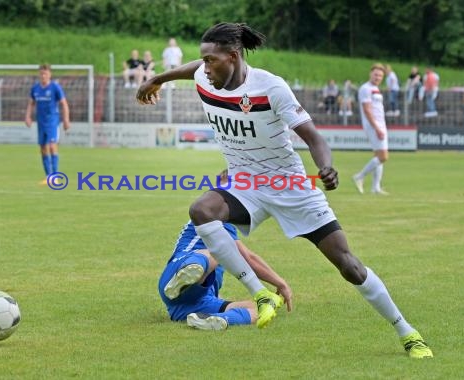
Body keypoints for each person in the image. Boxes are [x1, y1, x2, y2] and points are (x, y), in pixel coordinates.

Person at [136, 22, 432, 358]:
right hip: (245, 184)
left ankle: (407, 332)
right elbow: (192, 69)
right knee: (202, 209)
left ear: (233, 57)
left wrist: (325, 167)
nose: (204, 67)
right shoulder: (207, 74)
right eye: (203, 60)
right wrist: (158, 78)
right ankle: (258, 293)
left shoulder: (271, 87)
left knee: (350, 266)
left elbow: (314, 138)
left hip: (289, 186)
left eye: (211, 60)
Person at [159, 218, 292, 330]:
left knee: (258, 309)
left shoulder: (218, 218)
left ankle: (213, 319)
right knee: (217, 250)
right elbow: (248, 258)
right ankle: (186, 274)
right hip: (174, 274)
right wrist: (281, 283)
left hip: (189, 303)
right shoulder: (212, 219)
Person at [25, 64, 70, 184]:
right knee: (43, 148)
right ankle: (49, 177)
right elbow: (31, 103)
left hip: (52, 121)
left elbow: (64, 104)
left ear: (50, 74)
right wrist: (28, 116)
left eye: (45, 73)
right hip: (41, 122)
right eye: (41, 74)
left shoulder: (55, 87)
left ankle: (55, 176)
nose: (43, 76)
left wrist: (66, 119)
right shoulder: (35, 88)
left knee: (52, 146)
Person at [353, 63, 390, 195]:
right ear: (370, 74)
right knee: (383, 156)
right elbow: (367, 110)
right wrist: (377, 127)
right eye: (376, 74)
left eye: (380, 75)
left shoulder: (375, 88)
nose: (378, 77)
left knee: (378, 156)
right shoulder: (365, 88)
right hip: (374, 125)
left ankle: (375, 187)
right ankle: (359, 176)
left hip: (380, 124)